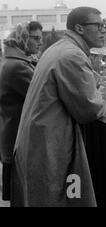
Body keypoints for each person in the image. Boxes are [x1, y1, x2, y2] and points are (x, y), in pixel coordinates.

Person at [11, 7, 106, 207]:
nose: (103, 30)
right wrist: (100, 97)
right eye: (98, 25)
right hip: (47, 147)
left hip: (36, 142)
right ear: (79, 28)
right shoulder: (72, 55)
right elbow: (90, 109)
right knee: (59, 199)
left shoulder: (57, 48)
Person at [0, 21, 43, 201]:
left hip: (10, 137)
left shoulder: (10, 62)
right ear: (22, 39)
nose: (40, 42)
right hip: (19, 142)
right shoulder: (17, 66)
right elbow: (44, 95)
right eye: (35, 38)